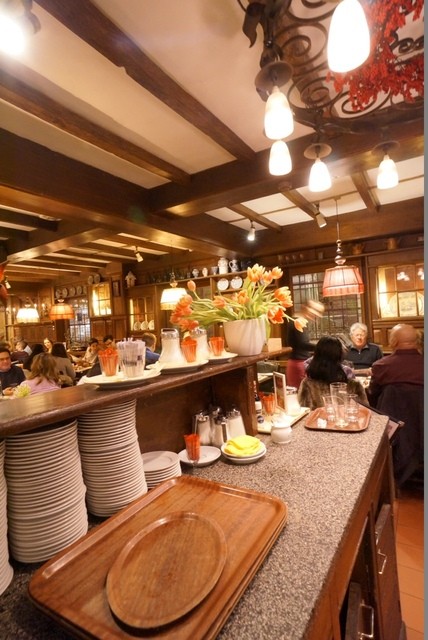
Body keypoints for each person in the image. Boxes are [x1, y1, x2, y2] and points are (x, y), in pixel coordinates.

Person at [298, 336, 368, 410]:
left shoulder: (307, 384)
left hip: (318, 417)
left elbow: (305, 411)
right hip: (345, 416)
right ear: (340, 356)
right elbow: (364, 410)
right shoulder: (353, 383)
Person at [367, 324, 424, 406]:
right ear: (417, 341)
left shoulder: (381, 365)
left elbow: (372, 394)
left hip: (388, 413)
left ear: (393, 341)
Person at [286, 299, 325, 389]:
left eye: (320, 312)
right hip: (298, 364)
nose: (318, 315)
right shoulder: (297, 321)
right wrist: (324, 346)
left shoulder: (299, 320)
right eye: (316, 310)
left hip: (298, 363)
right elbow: (303, 344)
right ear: (305, 307)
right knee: (302, 393)